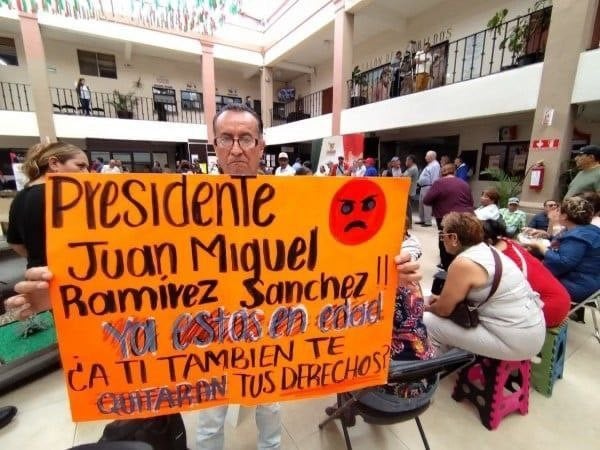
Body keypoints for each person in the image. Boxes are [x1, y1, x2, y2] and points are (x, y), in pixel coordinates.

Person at [423, 212, 545, 360]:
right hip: (531, 328)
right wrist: (439, 301)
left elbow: (443, 310)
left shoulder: (464, 262)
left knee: (427, 320)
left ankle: (433, 365)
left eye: (443, 236)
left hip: (516, 340)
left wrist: (424, 307)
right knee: (432, 303)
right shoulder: (487, 250)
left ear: (454, 238)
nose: (443, 240)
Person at [6, 142, 89, 268]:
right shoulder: (69, 196)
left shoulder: (20, 196)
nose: (86, 172)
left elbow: (15, 243)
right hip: (75, 271)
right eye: (81, 166)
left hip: (38, 273)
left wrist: (39, 260)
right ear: (54, 163)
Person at [482, 219, 570, 327]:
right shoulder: (506, 242)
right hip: (560, 300)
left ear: (489, 241)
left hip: (546, 308)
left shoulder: (500, 260)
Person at [527, 196, 600, 312]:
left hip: (577, 285)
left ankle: (531, 315)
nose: (556, 212)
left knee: (526, 277)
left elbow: (563, 263)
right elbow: (564, 245)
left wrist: (542, 248)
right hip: (587, 282)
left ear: (564, 216)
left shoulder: (578, 237)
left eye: (558, 210)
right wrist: (547, 236)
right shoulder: (585, 229)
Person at [423, 163, 474, 269]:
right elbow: (471, 202)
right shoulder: (464, 183)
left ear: (442, 172)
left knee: (446, 240)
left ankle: (447, 267)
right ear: (454, 172)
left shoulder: (439, 183)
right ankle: (462, 265)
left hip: (447, 218)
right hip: (466, 217)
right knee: (463, 241)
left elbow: (426, 200)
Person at [416, 150, 440, 227]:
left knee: (427, 204)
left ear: (431, 157)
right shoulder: (430, 164)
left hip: (428, 187)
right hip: (423, 187)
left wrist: (433, 189)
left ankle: (428, 221)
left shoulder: (435, 165)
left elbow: (435, 178)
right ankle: (422, 219)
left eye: (426, 156)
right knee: (421, 204)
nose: (425, 157)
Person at [402, 155, 419, 228]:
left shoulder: (413, 169)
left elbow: (403, 177)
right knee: (407, 207)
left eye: (407, 160)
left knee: (407, 208)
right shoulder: (411, 168)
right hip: (408, 191)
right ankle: (408, 223)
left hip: (409, 191)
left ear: (411, 160)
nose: (405, 162)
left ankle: (408, 224)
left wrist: (402, 175)